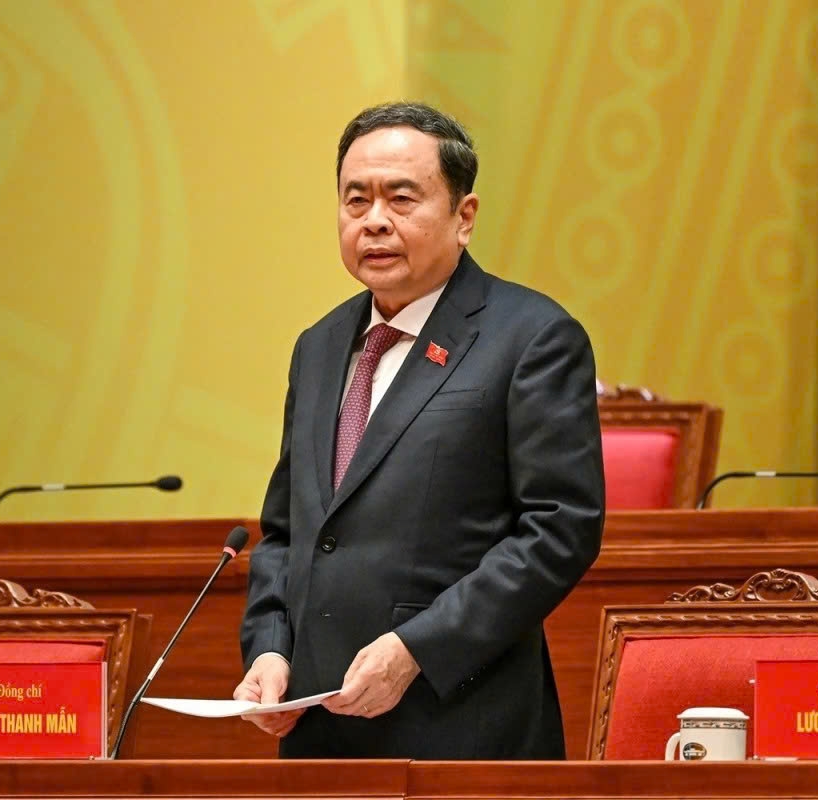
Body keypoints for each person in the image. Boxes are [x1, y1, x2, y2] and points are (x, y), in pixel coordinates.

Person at [235, 101, 605, 760]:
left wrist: (417, 649)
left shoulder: (531, 338)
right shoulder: (318, 347)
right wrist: (268, 647)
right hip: (320, 732)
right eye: (356, 201)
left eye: (401, 199)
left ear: (464, 217)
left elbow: (559, 527)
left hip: (461, 726)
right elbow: (288, 532)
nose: (374, 220)